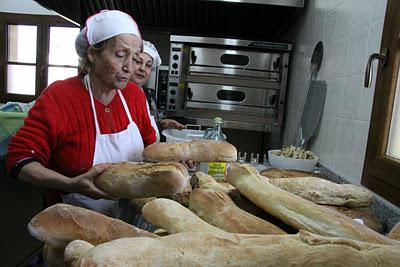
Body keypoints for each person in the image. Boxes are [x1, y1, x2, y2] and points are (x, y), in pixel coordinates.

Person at [6, 10, 156, 216]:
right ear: (92, 54)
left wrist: (176, 158)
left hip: (128, 222)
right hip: (73, 223)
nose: (129, 67)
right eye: (120, 55)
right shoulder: (60, 96)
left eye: (135, 58)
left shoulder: (134, 95)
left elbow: (150, 147)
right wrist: (70, 184)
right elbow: (19, 159)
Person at [131, 40, 184, 142]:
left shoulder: (149, 95)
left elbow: (145, 125)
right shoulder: (115, 94)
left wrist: (160, 124)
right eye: (138, 62)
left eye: (148, 65)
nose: (142, 68)